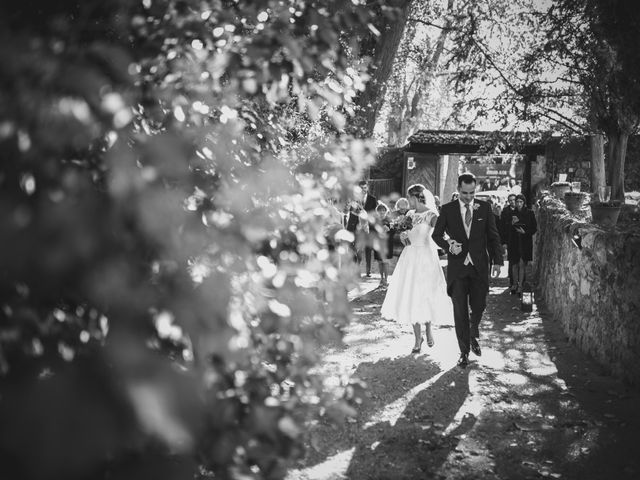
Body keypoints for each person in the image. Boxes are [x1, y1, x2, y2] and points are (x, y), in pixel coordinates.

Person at [432, 173, 503, 368]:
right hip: (458, 269)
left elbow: (493, 236)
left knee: (479, 306)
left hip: (479, 267)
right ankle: (463, 351)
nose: (469, 197)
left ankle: (473, 332)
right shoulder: (447, 210)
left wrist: (497, 261)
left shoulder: (485, 208)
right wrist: (448, 244)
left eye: (472, 193)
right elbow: (437, 235)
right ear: (458, 189)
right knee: (460, 311)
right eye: (465, 193)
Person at [381, 185, 452, 353]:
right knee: (411, 294)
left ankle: (428, 329)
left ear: (415, 197)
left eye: (409, 198)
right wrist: (403, 235)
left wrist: (450, 243)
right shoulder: (410, 215)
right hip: (410, 257)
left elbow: (443, 233)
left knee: (426, 293)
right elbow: (405, 234)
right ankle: (417, 338)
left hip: (426, 257)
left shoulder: (431, 215)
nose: (408, 201)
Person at [507, 194, 537, 296]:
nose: (519, 204)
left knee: (522, 264)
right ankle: (514, 284)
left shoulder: (530, 213)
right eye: (517, 202)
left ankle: (520, 286)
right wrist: (511, 224)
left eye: (521, 202)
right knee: (514, 264)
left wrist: (525, 232)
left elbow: (534, 228)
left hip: (525, 241)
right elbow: (506, 227)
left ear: (524, 203)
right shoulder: (512, 213)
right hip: (514, 241)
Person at [358, 180, 378, 277]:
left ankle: (368, 271)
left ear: (367, 188)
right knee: (358, 250)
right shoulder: (355, 199)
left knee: (368, 250)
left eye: (365, 188)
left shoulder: (373, 199)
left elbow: (374, 214)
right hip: (358, 228)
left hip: (369, 228)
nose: (363, 190)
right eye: (361, 188)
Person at [500, 194, 518, 292]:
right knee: (511, 261)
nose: (512, 202)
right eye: (510, 200)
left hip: (519, 240)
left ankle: (519, 282)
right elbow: (502, 228)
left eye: (514, 200)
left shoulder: (520, 210)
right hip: (510, 240)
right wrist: (504, 242)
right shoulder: (505, 212)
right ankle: (512, 282)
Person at [375, 202, 391, 287]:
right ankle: (381, 278)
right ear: (377, 211)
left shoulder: (390, 220)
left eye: (383, 210)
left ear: (386, 211)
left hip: (387, 244)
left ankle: (386, 279)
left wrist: (388, 229)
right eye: (380, 210)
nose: (381, 212)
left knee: (386, 262)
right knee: (380, 262)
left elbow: (394, 231)